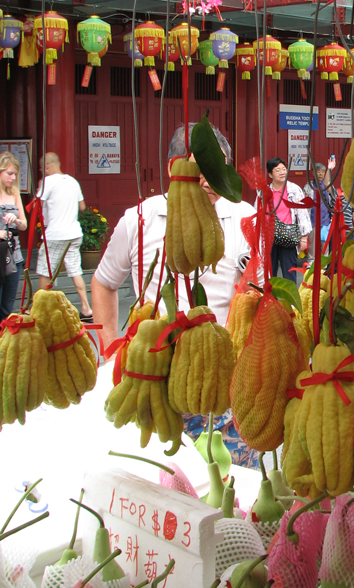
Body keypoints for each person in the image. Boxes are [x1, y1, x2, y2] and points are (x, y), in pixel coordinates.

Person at [92, 124, 257, 467]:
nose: (211, 180)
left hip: (221, 385)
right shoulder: (139, 219)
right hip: (154, 383)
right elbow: (104, 282)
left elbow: (257, 296)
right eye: (201, 169)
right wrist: (111, 351)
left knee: (233, 492)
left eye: (219, 168)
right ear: (173, 169)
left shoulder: (245, 218)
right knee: (159, 489)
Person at [37, 152, 92, 320]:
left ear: (46, 166)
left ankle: (40, 308)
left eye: (42, 169)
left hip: (55, 233)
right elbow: (82, 206)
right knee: (75, 270)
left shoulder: (48, 182)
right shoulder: (73, 181)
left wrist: (41, 187)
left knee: (45, 270)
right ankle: (86, 308)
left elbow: (37, 204)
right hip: (74, 232)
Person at [267, 157, 311, 283]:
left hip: (289, 236)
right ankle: (271, 300)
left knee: (290, 272)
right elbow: (257, 213)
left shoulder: (294, 189)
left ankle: (291, 302)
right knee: (270, 273)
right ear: (270, 174)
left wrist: (304, 237)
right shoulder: (264, 191)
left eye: (283, 169)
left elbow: (302, 213)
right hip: (270, 238)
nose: (282, 172)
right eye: (277, 170)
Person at [0, 152, 27, 322]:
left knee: (8, 306)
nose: (12, 177)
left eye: (15, 174)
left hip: (13, 254)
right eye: (9, 173)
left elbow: (24, 224)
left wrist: (16, 220)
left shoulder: (14, 192)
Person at [303, 157, 336, 258]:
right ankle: (311, 259)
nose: (321, 174)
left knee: (324, 241)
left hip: (325, 218)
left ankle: (324, 260)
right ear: (313, 173)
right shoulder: (308, 185)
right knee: (313, 242)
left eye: (323, 172)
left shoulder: (327, 186)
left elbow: (334, 196)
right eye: (318, 172)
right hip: (312, 217)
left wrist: (330, 169)